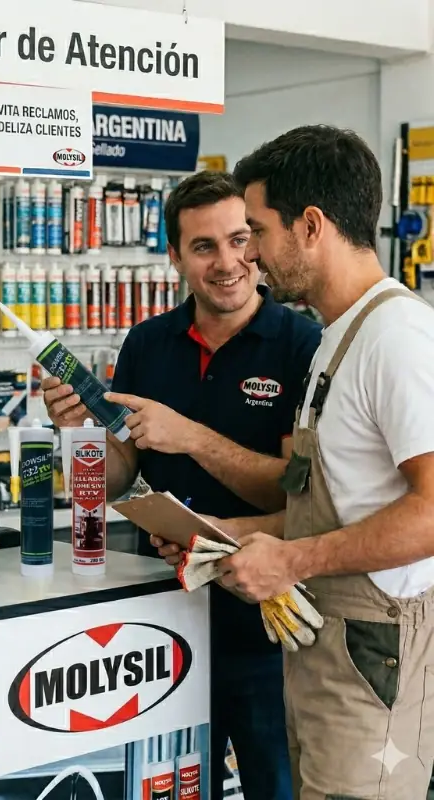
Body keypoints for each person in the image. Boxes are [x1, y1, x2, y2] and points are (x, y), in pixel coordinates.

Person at [43, 170, 321, 800]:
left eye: (238, 239)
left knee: (276, 788)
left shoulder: (301, 346)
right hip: (161, 626)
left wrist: (190, 435)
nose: (227, 262)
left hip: (264, 632)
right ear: (173, 256)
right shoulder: (147, 344)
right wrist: (79, 434)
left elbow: (294, 495)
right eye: (204, 247)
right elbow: (116, 479)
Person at [176, 124, 434, 799]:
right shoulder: (333, 340)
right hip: (322, 654)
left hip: (373, 658)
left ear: (311, 225)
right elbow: (333, 502)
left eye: (257, 231)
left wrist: (289, 562)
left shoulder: (397, 339)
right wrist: (229, 533)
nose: (251, 255)